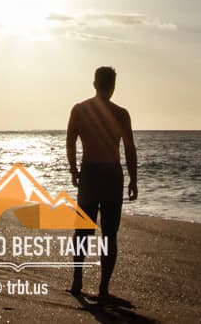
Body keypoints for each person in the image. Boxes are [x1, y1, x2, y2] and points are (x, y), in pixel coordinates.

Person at [66, 65, 137, 304]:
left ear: (96, 84)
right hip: (108, 175)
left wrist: (74, 169)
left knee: (87, 231)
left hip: (94, 174)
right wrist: (133, 179)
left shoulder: (81, 110)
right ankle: (99, 287)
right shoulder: (120, 113)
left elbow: (70, 141)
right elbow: (129, 149)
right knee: (106, 233)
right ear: (110, 86)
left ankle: (81, 282)